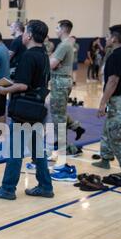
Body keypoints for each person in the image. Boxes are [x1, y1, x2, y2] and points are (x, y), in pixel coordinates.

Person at [0, 20, 54, 200]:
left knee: (16, 151)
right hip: (37, 108)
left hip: (25, 108)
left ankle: (7, 189)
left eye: (24, 32)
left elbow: (23, 85)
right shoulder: (44, 55)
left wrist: (4, 89)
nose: (22, 35)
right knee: (37, 149)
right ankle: (45, 186)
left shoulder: (29, 56)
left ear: (29, 35)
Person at [92, 24, 121, 180]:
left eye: (107, 36)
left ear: (114, 38)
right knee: (107, 129)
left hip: (120, 99)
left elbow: (113, 81)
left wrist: (102, 103)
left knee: (117, 134)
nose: (106, 39)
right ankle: (105, 159)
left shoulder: (117, 55)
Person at [49, 20, 74, 161]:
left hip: (60, 83)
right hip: (62, 81)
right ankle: (65, 146)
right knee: (60, 115)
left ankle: (62, 149)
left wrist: (51, 61)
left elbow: (51, 64)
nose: (56, 29)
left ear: (63, 29)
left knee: (58, 117)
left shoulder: (64, 45)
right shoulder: (65, 44)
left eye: (57, 27)